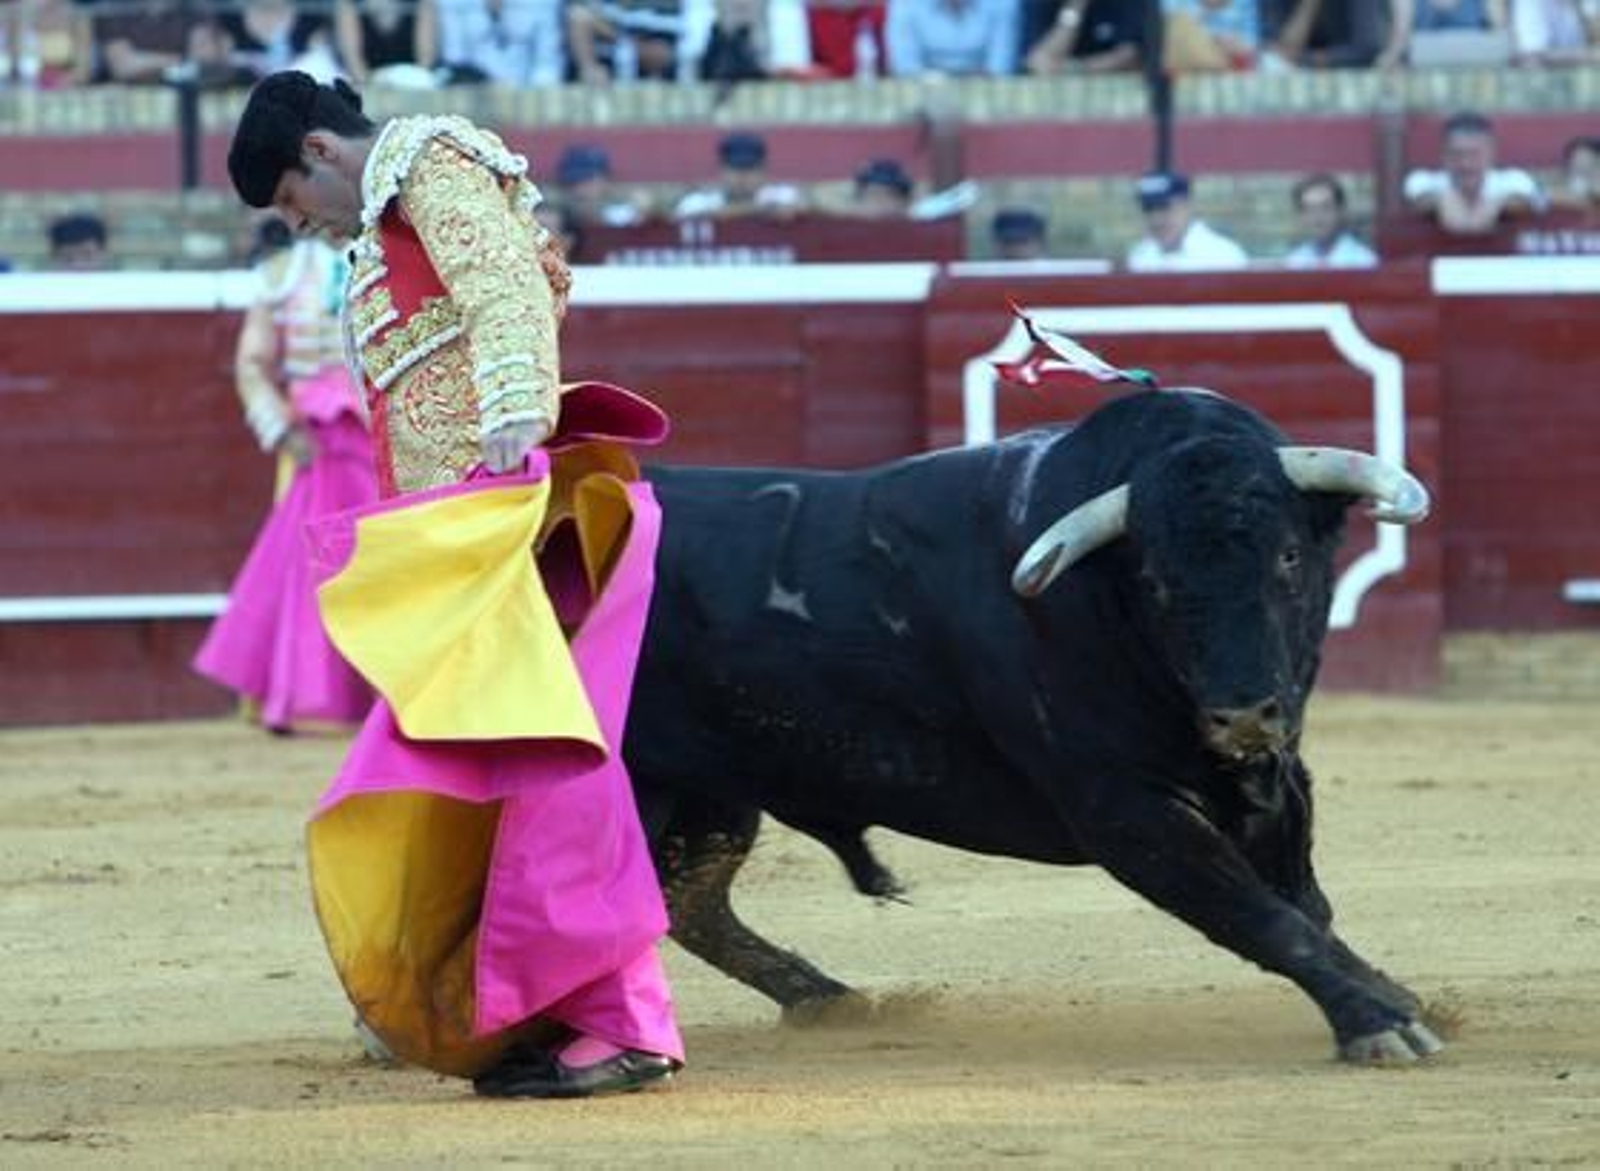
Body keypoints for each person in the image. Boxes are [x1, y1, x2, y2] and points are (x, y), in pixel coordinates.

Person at [226, 70, 683, 1099]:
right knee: (478, 768)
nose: (307, 229)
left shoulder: (427, 159)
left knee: (533, 761)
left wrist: (516, 419)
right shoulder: (388, 205)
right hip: (450, 532)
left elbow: (506, 287)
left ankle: (620, 1020)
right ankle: (522, 1006)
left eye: (299, 208)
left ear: (318, 154)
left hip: (487, 515)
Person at [192, 234, 378, 733]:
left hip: (377, 431)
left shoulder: (387, 252)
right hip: (318, 434)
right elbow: (251, 366)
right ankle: (309, 693)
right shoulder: (283, 273)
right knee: (323, 559)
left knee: (332, 558)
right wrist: (281, 429)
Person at [1402, 110, 1544, 236]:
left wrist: (1496, 204)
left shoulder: (1514, 180)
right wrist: (1443, 201)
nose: (1466, 164)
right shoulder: (1423, 181)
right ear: (1443, 155)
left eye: (1474, 154)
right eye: (1456, 154)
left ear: (1491, 153)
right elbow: (1420, 200)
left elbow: (1524, 201)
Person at [1125, 171, 1249, 271]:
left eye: (1164, 207)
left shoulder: (1223, 256)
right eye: (1148, 208)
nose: (1156, 218)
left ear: (1187, 206)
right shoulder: (1140, 256)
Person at [673, 131, 804, 219]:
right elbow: (683, 220)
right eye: (735, 168)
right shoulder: (697, 203)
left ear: (763, 170)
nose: (743, 177)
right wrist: (763, 211)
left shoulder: (784, 196)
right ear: (722, 170)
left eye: (750, 168)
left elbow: (805, 215)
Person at [884, 0, 1021, 76]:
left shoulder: (1004, 4)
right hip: (923, 98)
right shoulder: (904, 4)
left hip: (985, 98)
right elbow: (906, 70)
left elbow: (1000, 69)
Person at [1284, 173, 1377, 268]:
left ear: (1341, 211)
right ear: (1302, 216)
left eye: (1325, 207)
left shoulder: (1364, 261)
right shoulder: (1295, 261)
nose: (1317, 218)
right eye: (1310, 209)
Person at [1023, 0, 1143, 74]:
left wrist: (1075, 69)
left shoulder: (1127, 3)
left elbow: (1132, 56)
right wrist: (1075, 9)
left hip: (1119, 99)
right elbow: (1039, 62)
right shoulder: (1042, 3)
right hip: (1062, 100)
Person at [335, 0, 439, 85]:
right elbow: (353, 63)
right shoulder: (349, 4)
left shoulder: (422, 3)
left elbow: (425, 62)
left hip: (412, 86)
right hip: (369, 88)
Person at [555, 142, 653, 226]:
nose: (580, 190)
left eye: (588, 181)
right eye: (572, 182)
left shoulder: (625, 217)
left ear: (606, 182)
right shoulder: (555, 223)